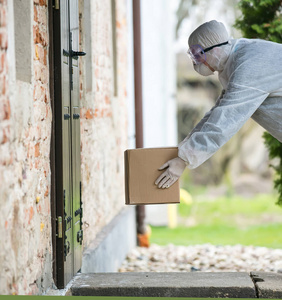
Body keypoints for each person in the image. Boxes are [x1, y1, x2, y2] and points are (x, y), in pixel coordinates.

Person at [155, 20, 282, 189]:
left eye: (198, 54)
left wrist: (184, 160)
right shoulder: (236, 58)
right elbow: (216, 113)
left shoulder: (249, 65)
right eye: (192, 56)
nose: (196, 62)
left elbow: (225, 120)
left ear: (215, 49)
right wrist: (183, 150)